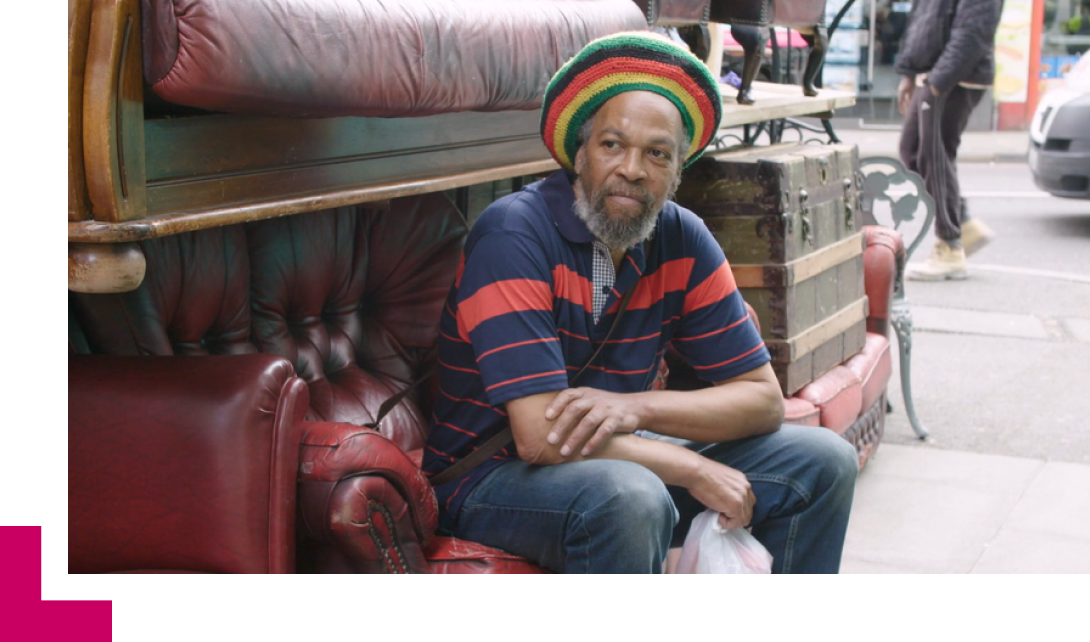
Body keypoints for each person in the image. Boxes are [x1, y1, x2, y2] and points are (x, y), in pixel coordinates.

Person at [422, 32, 859, 575]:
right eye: (612, 145)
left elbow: (761, 400)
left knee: (823, 462)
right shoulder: (513, 234)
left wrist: (636, 408)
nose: (632, 168)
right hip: (491, 480)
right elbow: (538, 435)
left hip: (621, 452)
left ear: (677, 173)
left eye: (657, 154)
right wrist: (692, 470)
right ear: (579, 155)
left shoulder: (683, 238)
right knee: (630, 495)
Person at [896, 0, 1004, 281]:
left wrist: (938, 81)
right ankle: (963, 225)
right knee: (914, 154)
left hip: (953, 79)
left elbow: (974, 32)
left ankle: (950, 247)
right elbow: (922, 21)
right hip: (933, 75)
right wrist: (909, 73)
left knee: (934, 157)